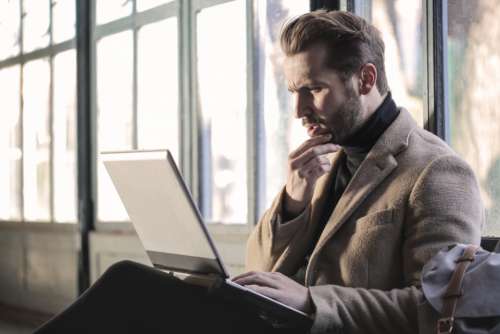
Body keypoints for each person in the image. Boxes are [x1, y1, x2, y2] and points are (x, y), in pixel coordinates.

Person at [35, 10, 483, 334]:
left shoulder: (437, 172)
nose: (299, 110)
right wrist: (292, 201)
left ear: (365, 80)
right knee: (131, 284)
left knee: (131, 291)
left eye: (313, 90)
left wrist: (311, 302)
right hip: (266, 322)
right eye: (293, 91)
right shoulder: (323, 158)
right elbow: (258, 267)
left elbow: (439, 310)